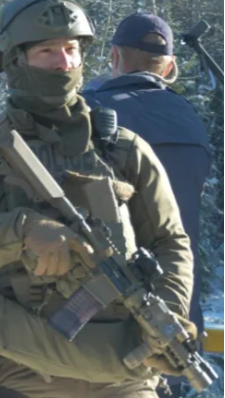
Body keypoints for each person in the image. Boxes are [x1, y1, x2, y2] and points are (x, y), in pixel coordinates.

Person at [0, 1, 195, 397]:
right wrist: (21, 232)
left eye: (71, 49)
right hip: (19, 372)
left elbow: (170, 242)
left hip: (125, 376)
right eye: (46, 50)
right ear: (13, 59)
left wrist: (166, 316)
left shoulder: (123, 150)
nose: (62, 62)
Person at [82, 13, 211, 360]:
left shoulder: (91, 112)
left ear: (114, 57)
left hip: (107, 323)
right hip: (180, 316)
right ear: (168, 68)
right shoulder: (191, 122)